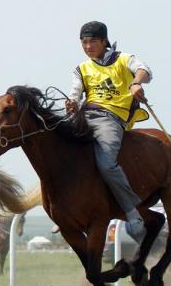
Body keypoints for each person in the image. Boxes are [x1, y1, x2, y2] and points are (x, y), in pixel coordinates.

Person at [65, 21, 152, 234]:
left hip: (111, 119)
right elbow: (75, 93)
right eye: (83, 42)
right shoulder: (81, 69)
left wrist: (136, 83)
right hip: (84, 117)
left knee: (106, 164)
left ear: (104, 41)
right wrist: (72, 103)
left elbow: (145, 70)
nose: (87, 47)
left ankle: (132, 211)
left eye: (92, 41)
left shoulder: (123, 59)